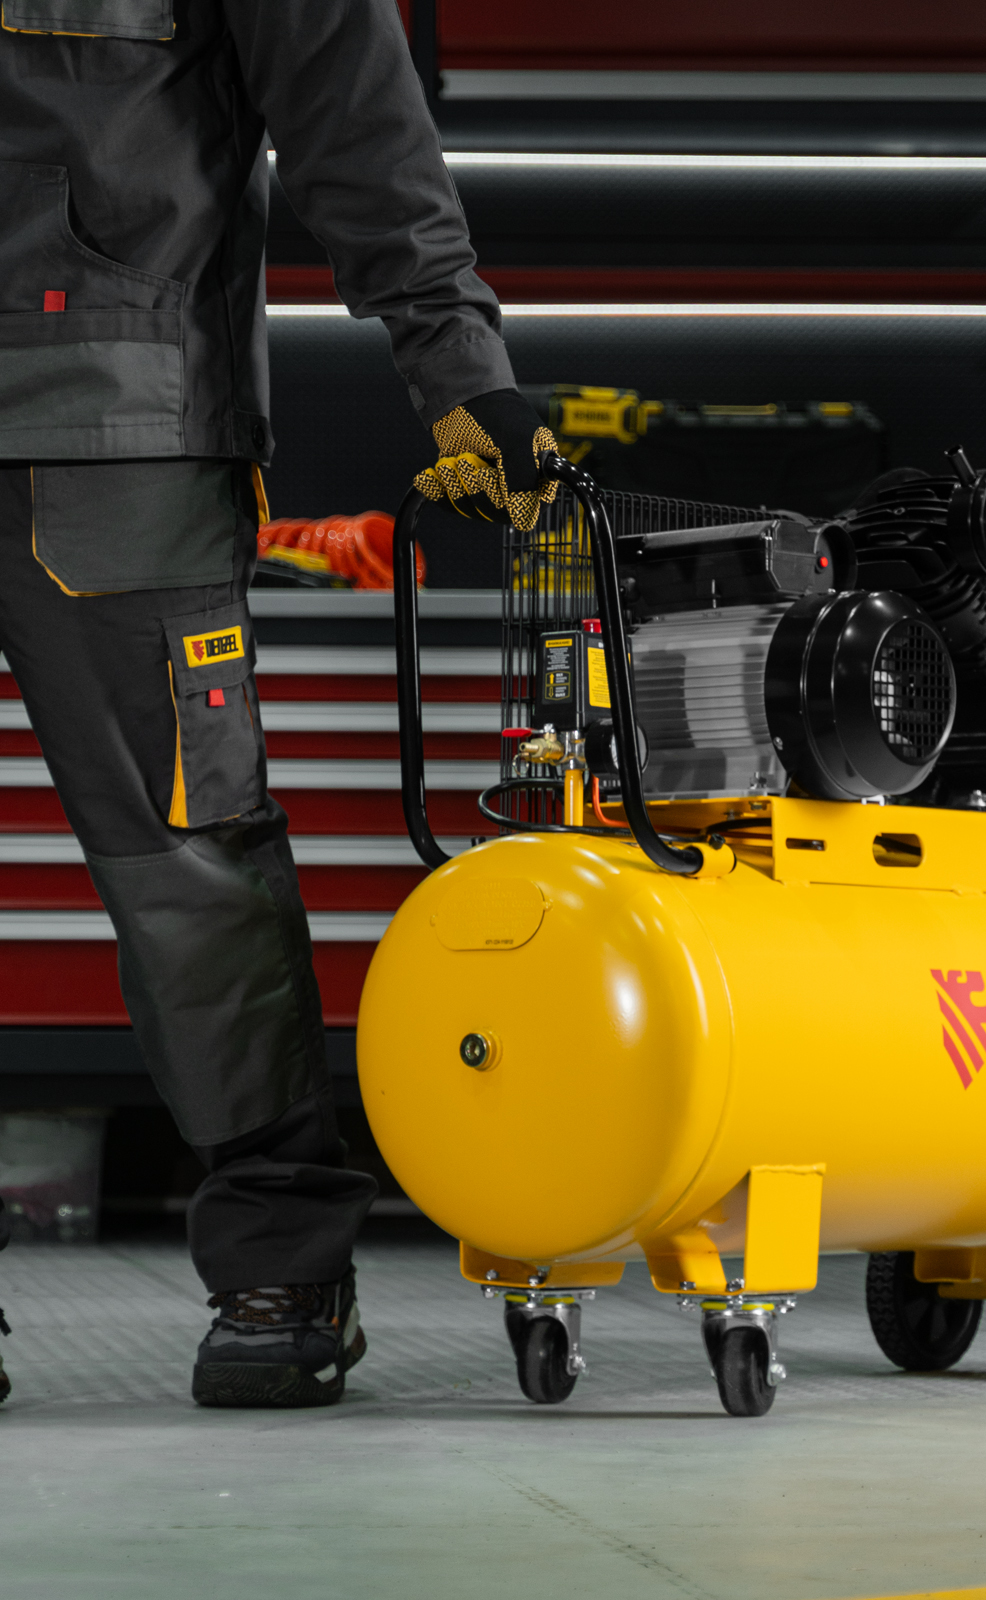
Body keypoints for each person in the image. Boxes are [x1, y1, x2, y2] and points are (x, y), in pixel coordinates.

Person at [0, 0, 548, 1407]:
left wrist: (455, 360)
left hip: (112, 422)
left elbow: (349, 99)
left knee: (187, 860)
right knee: (190, 859)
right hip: (115, 416)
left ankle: (283, 1261)